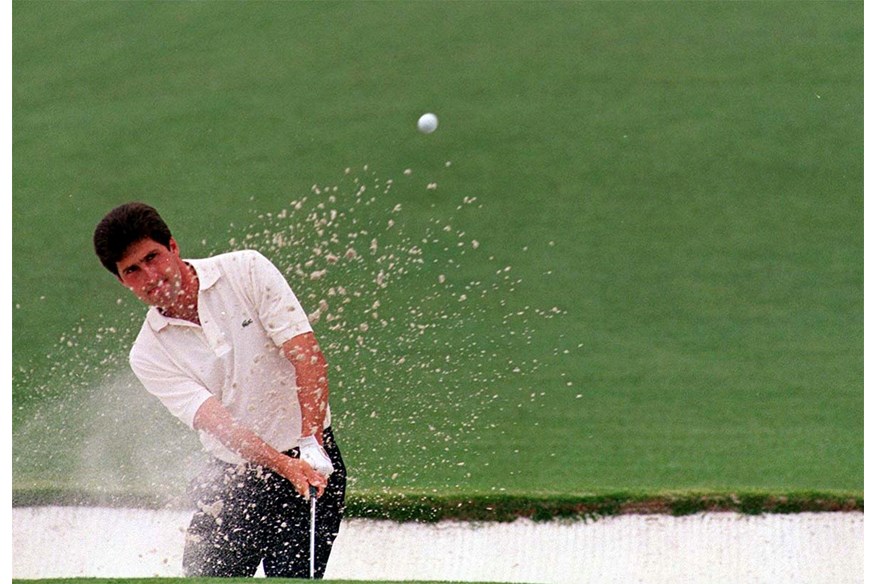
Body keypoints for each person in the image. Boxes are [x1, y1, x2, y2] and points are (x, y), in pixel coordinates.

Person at [93, 202, 346, 578]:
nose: (151, 275)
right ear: (123, 281)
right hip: (233, 478)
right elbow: (220, 425)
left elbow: (306, 355)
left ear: (174, 247)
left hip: (311, 462)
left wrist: (310, 441)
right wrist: (282, 466)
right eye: (133, 270)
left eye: (153, 257)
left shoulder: (246, 269)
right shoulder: (148, 354)